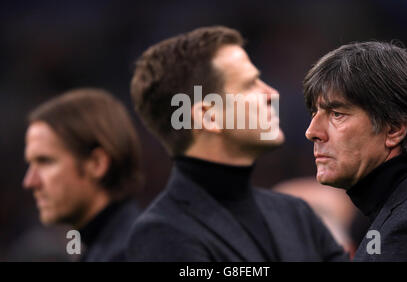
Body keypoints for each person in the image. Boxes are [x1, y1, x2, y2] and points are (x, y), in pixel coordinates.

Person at [127, 26, 347, 261]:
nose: (271, 93)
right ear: (209, 116)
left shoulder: (296, 214)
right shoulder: (163, 234)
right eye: (250, 84)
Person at [303, 41, 407, 261]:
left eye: (336, 114)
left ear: (394, 129)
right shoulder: (391, 215)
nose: (312, 132)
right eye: (314, 113)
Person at [23, 88, 142, 261]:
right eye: (30, 164)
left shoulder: (130, 253)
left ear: (96, 164)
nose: (30, 181)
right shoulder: (104, 248)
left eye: (45, 161)